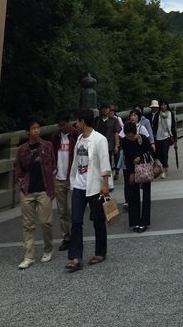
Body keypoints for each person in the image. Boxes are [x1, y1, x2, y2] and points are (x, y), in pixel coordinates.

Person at [66, 108, 111, 271]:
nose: (75, 124)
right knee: (76, 221)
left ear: (83, 121)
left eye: (77, 121)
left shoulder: (100, 139)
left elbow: (105, 163)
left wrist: (105, 184)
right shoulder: (79, 139)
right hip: (79, 184)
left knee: (97, 220)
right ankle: (76, 256)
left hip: (95, 185)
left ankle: (100, 252)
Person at [14, 116, 56, 269]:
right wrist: (21, 183)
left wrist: (53, 186)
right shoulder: (22, 150)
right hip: (27, 190)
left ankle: (48, 248)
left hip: (44, 189)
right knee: (28, 225)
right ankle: (29, 255)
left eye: (38, 128)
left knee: (46, 222)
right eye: (33, 128)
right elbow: (17, 169)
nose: (36, 131)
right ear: (28, 131)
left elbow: (53, 165)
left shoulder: (47, 146)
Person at [50, 110, 78, 251]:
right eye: (59, 125)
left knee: (72, 209)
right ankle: (66, 237)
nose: (61, 128)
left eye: (63, 125)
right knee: (62, 211)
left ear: (68, 122)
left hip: (72, 178)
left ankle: (75, 236)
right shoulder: (55, 138)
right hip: (59, 177)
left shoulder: (76, 136)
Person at [120, 120, 153, 232]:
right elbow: (127, 158)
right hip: (132, 169)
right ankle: (135, 221)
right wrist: (131, 173)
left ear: (135, 133)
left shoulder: (142, 139)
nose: (130, 138)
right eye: (128, 136)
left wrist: (141, 157)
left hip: (144, 169)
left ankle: (144, 222)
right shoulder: (124, 142)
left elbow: (150, 151)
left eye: (131, 136)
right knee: (133, 195)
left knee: (146, 195)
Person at [95, 103, 121, 182]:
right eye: (103, 108)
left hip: (110, 143)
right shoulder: (98, 120)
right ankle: (106, 178)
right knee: (104, 162)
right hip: (100, 144)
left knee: (112, 159)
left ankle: (114, 173)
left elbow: (116, 132)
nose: (105, 110)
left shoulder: (114, 120)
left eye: (106, 108)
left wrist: (117, 145)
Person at [152, 99, 177, 178]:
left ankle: (164, 167)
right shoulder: (157, 114)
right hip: (159, 136)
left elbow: (173, 126)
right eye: (162, 105)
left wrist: (175, 139)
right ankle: (162, 166)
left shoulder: (170, 114)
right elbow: (154, 124)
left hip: (167, 136)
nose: (163, 106)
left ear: (167, 105)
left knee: (164, 152)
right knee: (159, 153)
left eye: (165, 104)